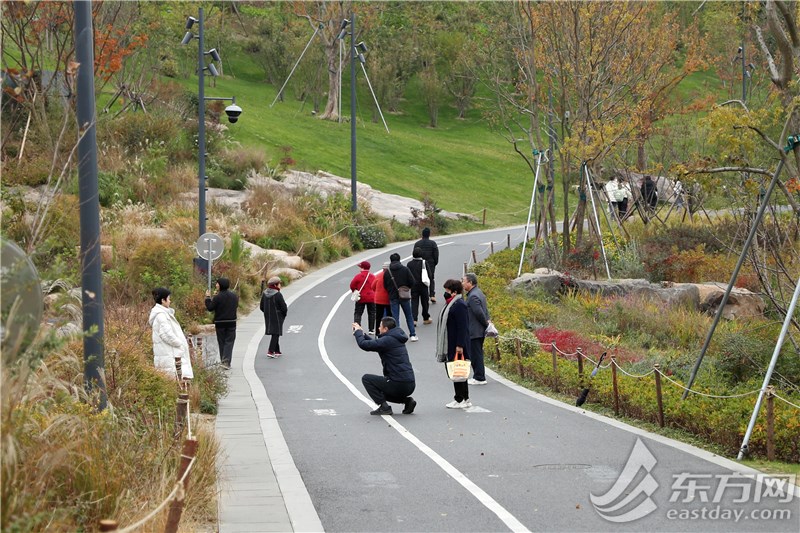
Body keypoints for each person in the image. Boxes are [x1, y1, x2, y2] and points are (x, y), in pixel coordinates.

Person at [353, 317, 416, 416]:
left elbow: (364, 345)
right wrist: (362, 334)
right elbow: (376, 344)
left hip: (398, 384)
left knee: (367, 379)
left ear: (386, 329)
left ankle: (384, 407)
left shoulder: (387, 340)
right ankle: (407, 401)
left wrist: (357, 333)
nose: (378, 328)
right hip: (410, 384)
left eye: (380, 326)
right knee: (382, 389)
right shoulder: (396, 338)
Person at [436, 279, 471, 408]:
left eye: (447, 291)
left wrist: (460, 345)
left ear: (454, 292)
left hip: (456, 343)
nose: (445, 293)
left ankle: (460, 398)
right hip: (452, 343)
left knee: (457, 371)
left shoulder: (459, 305)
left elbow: (463, 327)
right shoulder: (451, 304)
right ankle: (465, 398)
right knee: (459, 371)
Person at [149, 287, 194, 379]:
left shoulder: (164, 313)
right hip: (170, 354)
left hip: (168, 353)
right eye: (168, 298)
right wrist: (179, 343)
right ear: (163, 300)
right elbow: (166, 334)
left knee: (178, 381)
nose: (170, 301)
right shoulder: (161, 315)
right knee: (177, 381)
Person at [205, 277, 238, 369]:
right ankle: (226, 362)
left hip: (220, 322)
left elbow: (210, 308)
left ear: (220, 285)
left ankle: (224, 361)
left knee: (221, 341)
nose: (216, 285)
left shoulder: (217, 297)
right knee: (229, 342)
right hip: (231, 322)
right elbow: (236, 306)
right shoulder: (234, 296)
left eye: (217, 283)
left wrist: (208, 298)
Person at [462, 272, 490, 386]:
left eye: (464, 281)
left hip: (475, 329)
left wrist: (485, 323)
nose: (462, 283)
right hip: (478, 329)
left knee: (476, 354)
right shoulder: (478, 293)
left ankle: (479, 377)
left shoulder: (473, 296)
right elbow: (485, 311)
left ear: (470, 282)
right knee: (476, 353)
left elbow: (479, 312)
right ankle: (478, 375)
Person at [383, 252, 418, 341]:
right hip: (404, 296)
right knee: (409, 316)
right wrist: (406, 288)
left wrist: (391, 291)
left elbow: (385, 285)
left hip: (393, 297)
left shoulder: (387, 272)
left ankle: (397, 336)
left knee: (395, 317)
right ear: (399, 259)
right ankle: (413, 335)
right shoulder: (405, 269)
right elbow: (412, 282)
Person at [260, 276, 288, 358]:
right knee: (276, 333)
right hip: (277, 316)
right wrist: (283, 314)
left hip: (268, 316)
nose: (280, 286)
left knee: (275, 333)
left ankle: (277, 351)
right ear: (275, 285)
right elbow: (283, 307)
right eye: (279, 284)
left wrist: (267, 312)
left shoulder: (265, 293)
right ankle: (271, 350)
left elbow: (261, 306)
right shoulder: (278, 294)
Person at [406, 248, 431, 327]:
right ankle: (426, 318)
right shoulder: (424, 262)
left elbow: (407, 276)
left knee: (414, 302)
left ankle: (414, 319)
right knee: (425, 302)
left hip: (413, 286)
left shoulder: (409, 264)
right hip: (423, 285)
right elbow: (429, 274)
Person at [414, 227, 439, 303]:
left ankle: (422, 295)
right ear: (429, 234)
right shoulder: (433, 243)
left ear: (422, 234)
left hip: (419, 263)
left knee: (420, 278)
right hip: (430, 263)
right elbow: (436, 254)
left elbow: (414, 254)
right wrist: (435, 262)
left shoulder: (417, 243)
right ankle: (432, 295)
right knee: (431, 278)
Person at [350, 261, 376, 334]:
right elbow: (375, 286)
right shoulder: (372, 276)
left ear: (362, 268)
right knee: (372, 313)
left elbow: (352, 285)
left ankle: (357, 328)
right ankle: (371, 329)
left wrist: (355, 291)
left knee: (358, 313)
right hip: (371, 297)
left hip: (361, 297)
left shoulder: (358, 276)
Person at [372, 262, 391, 334]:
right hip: (388, 299)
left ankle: (377, 332)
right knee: (390, 317)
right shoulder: (391, 276)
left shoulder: (378, 275)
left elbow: (373, 286)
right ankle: (389, 332)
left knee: (378, 317)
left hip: (379, 299)